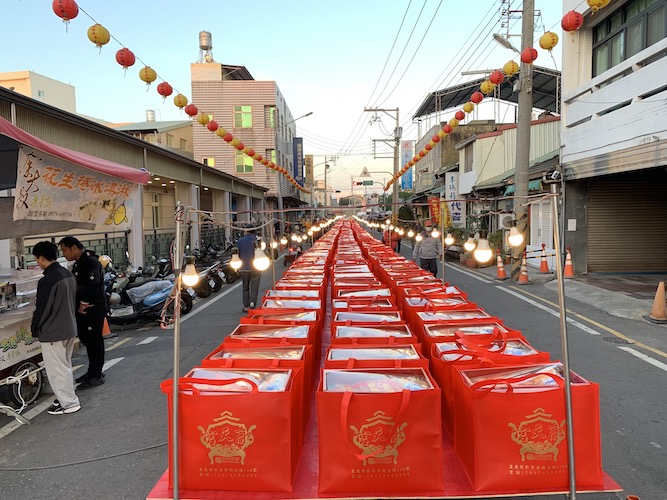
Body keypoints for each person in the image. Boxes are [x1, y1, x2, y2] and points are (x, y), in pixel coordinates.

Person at [31, 241, 81, 415]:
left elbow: (42, 308)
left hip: (53, 332)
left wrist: (35, 328)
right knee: (64, 367)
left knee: (57, 370)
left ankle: (69, 403)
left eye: (37, 259)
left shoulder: (47, 280)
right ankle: (65, 399)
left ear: (41, 258)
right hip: (69, 328)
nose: (37, 262)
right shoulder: (66, 274)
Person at [58, 237, 107, 390]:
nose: (64, 254)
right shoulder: (79, 262)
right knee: (88, 340)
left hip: (92, 309)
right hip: (84, 309)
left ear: (73, 248)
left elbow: (92, 286)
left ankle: (96, 374)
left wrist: (83, 304)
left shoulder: (89, 261)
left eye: (65, 250)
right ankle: (92, 371)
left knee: (94, 342)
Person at [237, 228, 261, 312]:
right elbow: (261, 253)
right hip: (255, 267)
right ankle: (252, 303)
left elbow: (238, 254)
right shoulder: (257, 240)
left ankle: (246, 305)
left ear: (246, 231)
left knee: (245, 286)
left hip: (244, 267)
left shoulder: (240, 241)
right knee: (254, 286)